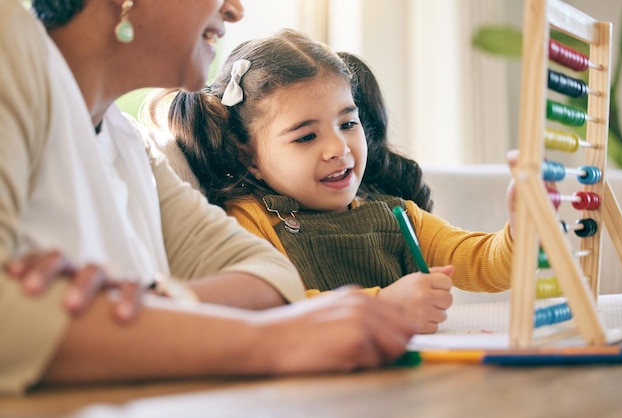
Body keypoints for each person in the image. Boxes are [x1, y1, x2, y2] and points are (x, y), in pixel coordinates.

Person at [0, 0, 416, 395]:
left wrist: (149, 302)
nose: (235, 10)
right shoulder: (10, 49)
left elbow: (272, 274)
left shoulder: (123, 137)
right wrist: (271, 342)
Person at [159, 29, 516, 335]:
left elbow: (487, 264)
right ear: (247, 156)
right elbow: (273, 306)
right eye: (305, 137)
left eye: (347, 124)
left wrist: (520, 228)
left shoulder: (397, 215)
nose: (338, 148)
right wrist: (385, 304)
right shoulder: (249, 222)